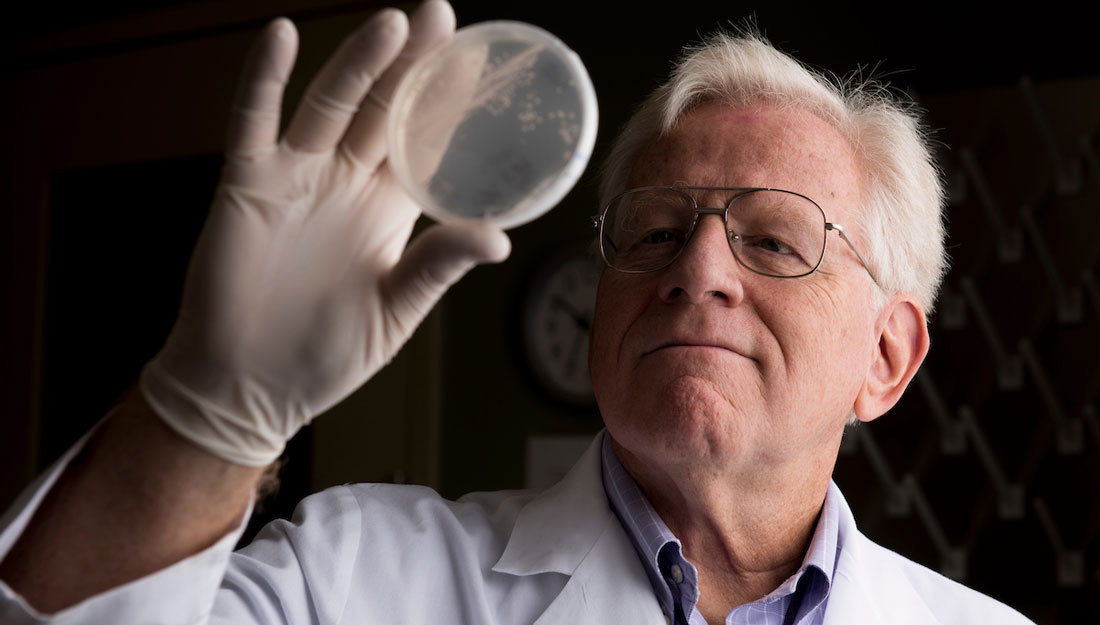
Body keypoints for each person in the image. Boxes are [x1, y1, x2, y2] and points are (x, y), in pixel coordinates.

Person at [0, 1, 1034, 623]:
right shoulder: (360, 579)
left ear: (885, 356)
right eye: (655, 230)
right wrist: (205, 411)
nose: (699, 268)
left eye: (771, 238)